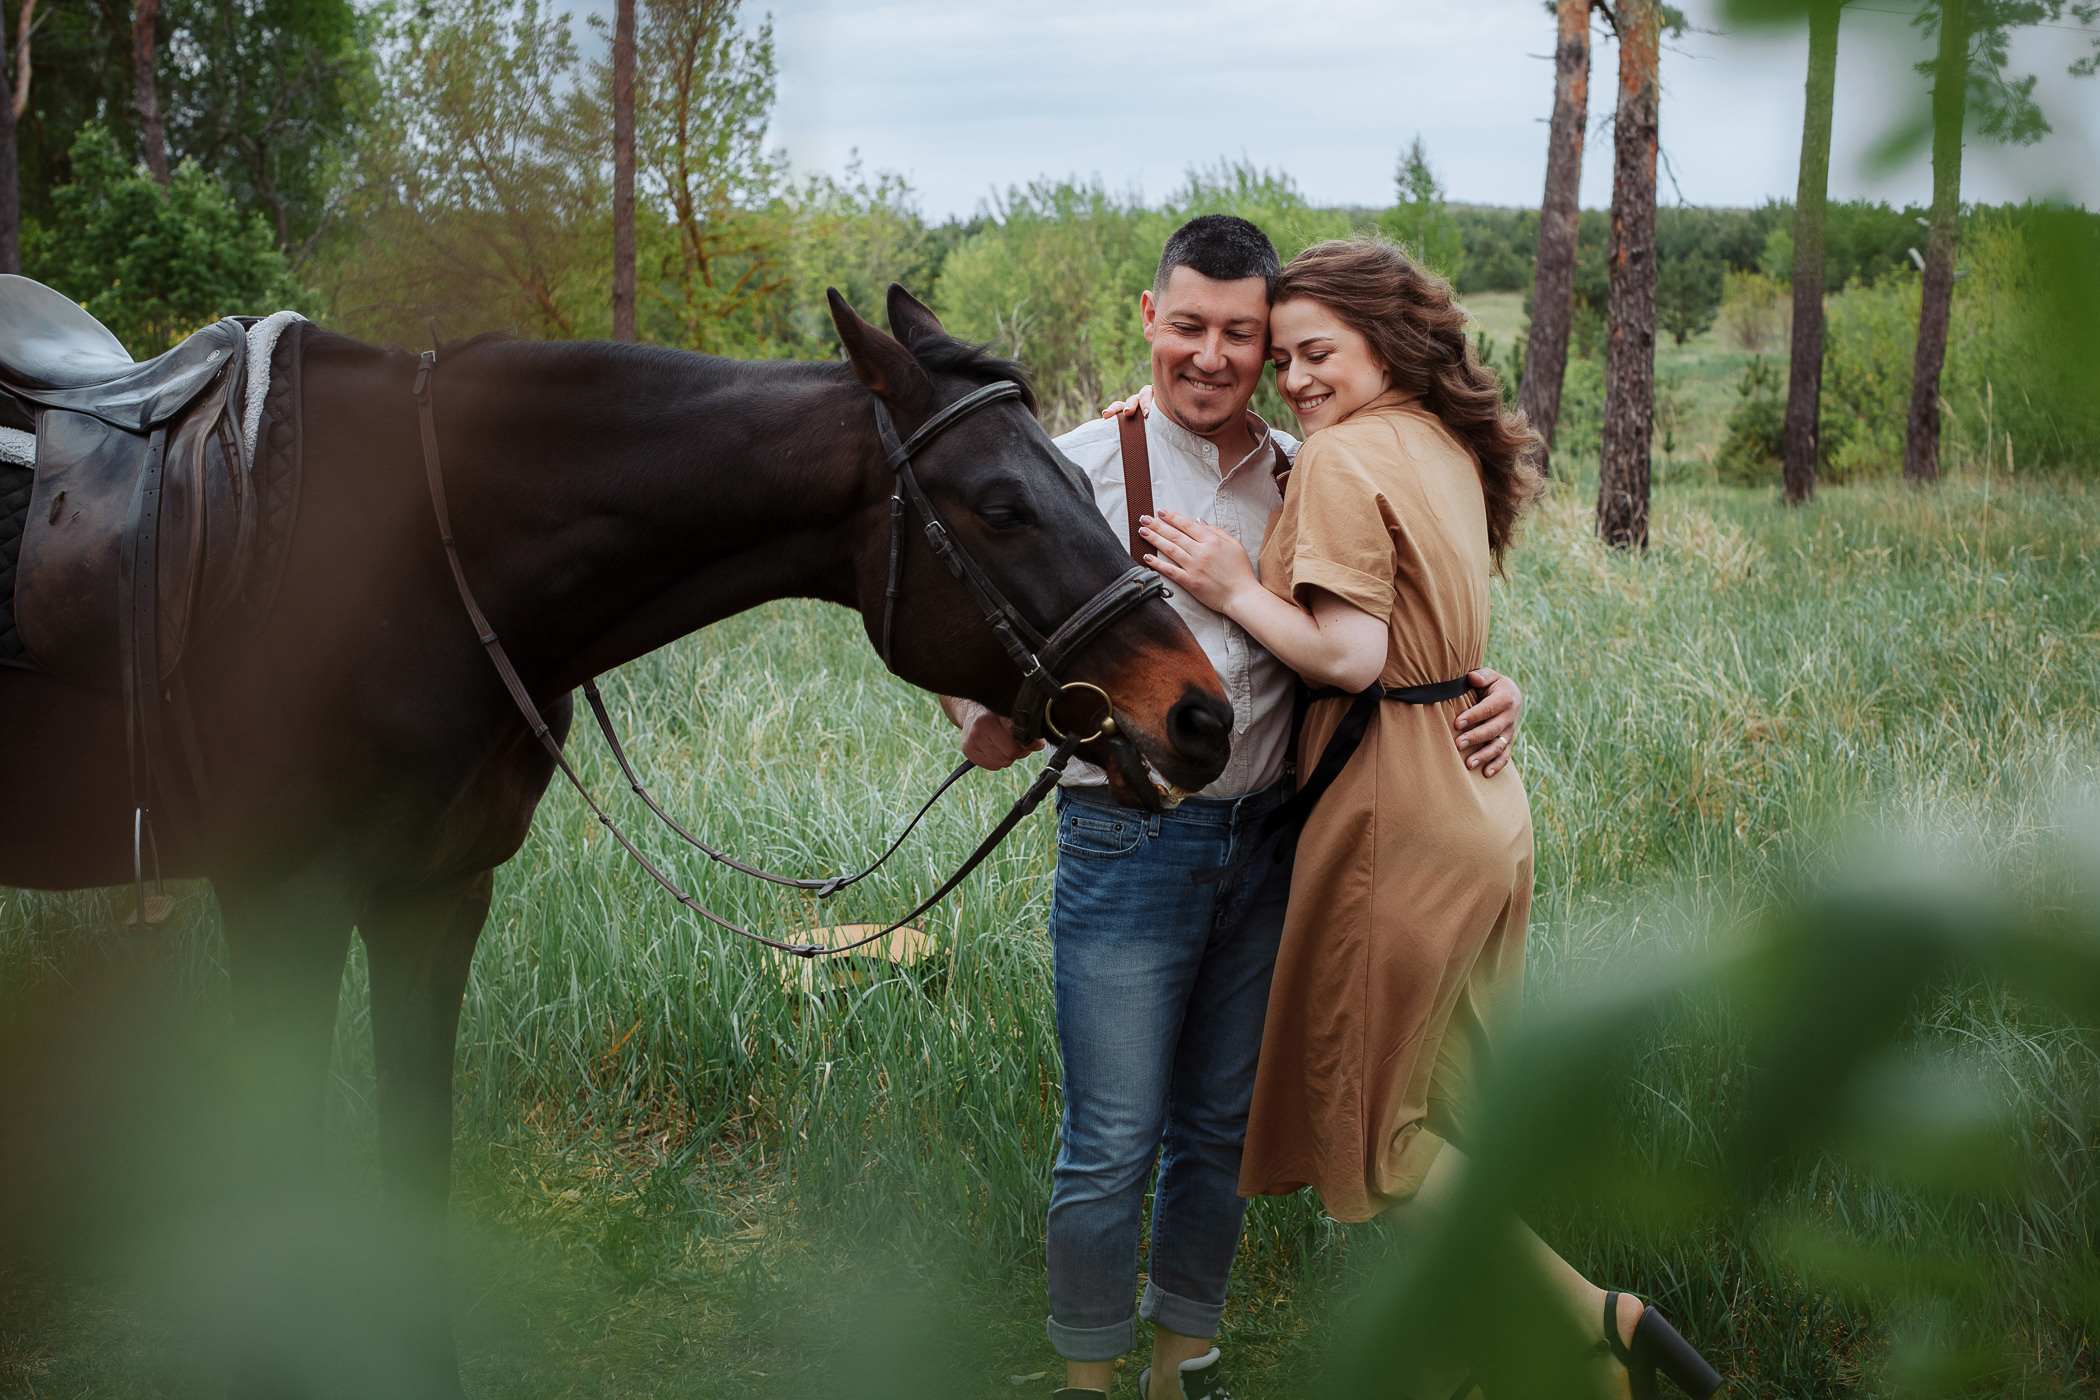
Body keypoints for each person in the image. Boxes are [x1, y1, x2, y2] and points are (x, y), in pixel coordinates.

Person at [939, 216, 1526, 1400]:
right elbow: (944, 592)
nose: (1212, 356)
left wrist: (1488, 687)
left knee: (1217, 1131)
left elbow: (1384, 630)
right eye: (1190, 327)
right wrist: (973, 717)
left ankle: (1183, 1360)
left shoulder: (1309, 467)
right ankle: (1088, 1377)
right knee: (1111, 1140)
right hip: (1128, 840)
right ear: (1150, 320)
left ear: (1266, 347)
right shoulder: (1078, 465)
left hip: (1275, 841)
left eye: (1241, 337)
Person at [1135, 237, 1720, 1400]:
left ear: (1384, 343)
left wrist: (1231, 585)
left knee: (1385, 1137)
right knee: (1449, 1105)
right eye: (1286, 356)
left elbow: (1351, 653)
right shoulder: (1443, 443)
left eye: (1318, 353)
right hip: (1480, 794)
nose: (1296, 379)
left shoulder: (1347, 459)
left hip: (1395, 809)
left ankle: (1593, 1317)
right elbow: (1431, 630)